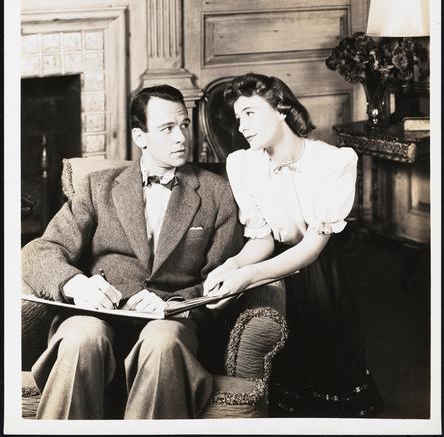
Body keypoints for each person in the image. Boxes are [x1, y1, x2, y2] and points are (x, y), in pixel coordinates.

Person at [22, 84, 243, 419]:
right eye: (167, 128)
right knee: (81, 337)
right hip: (97, 316)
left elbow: (222, 279)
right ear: (141, 137)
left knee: (162, 342)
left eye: (184, 125)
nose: (181, 137)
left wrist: (175, 304)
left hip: (169, 323)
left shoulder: (218, 193)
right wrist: (75, 285)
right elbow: (40, 251)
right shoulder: (97, 187)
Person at [203, 73, 384, 417]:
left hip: (320, 271)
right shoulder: (243, 165)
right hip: (273, 267)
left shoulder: (333, 162)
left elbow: (311, 249)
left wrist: (248, 276)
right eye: (238, 118)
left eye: (250, 113)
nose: (242, 126)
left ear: (281, 109)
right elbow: (261, 240)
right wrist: (233, 266)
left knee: (329, 370)